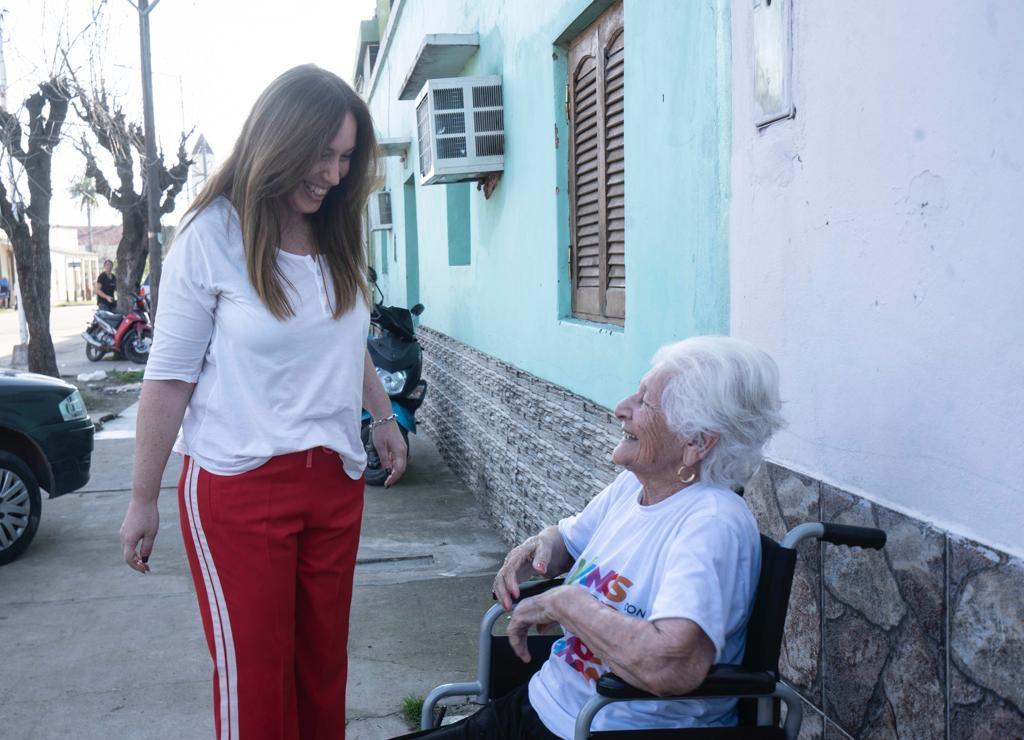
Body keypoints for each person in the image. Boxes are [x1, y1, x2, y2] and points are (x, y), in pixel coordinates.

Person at [118, 64, 407, 739]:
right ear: (279, 138)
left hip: (333, 482)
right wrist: (142, 498)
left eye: (345, 158)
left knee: (321, 672)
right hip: (237, 487)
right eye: (323, 154)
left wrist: (382, 415)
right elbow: (167, 379)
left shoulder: (336, 231)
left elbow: (341, 335)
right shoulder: (210, 238)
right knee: (257, 682)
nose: (335, 174)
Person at [406, 336, 785, 739]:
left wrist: (565, 603)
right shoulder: (634, 486)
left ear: (696, 442)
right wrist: (539, 548)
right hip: (541, 703)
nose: (622, 408)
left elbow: (671, 666)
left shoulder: (711, 523)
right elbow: (567, 541)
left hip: (603, 729)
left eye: (644, 402)